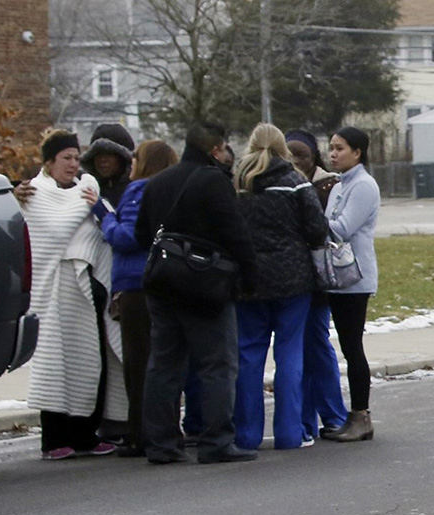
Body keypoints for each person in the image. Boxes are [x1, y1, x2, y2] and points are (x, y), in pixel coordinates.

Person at [133, 121, 259, 465]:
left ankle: (161, 443)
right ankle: (216, 441)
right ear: (216, 149)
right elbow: (235, 233)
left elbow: (141, 234)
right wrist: (250, 276)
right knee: (217, 364)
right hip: (205, 286)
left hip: (162, 284)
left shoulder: (157, 183)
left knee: (163, 365)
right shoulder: (213, 181)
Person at [18, 128, 128, 460]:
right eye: (66, 158)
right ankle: (53, 439)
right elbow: (45, 235)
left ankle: (84, 434)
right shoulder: (33, 194)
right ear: (49, 162)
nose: (73, 163)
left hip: (87, 289)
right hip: (51, 292)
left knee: (89, 362)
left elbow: (101, 230)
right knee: (55, 363)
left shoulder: (88, 191)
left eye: (76, 157)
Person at [230, 123, 329, 450]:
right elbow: (317, 230)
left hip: (248, 280)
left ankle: (246, 434)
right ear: (282, 148)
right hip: (292, 279)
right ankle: (289, 432)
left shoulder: (238, 183)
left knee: (249, 356)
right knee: (290, 354)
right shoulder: (295, 182)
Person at [89, 140, 179, 457]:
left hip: (136, 283)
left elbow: (127, 236)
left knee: (139, 364)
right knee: (167, 360)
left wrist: (103, 214)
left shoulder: (139, 190)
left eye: (136, 157)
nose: (131, 163)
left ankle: (142, 433)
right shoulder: (175, 189)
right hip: (169, 281)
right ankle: (169, 429)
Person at [315, 126, 380, 442]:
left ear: (357, 152)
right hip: (335, 275)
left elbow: (341, 229)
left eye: (340, 148)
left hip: (354, 277)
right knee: (344, 344)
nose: (333, 154)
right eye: (331, 148)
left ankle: (361, 415)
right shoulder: (341, 184)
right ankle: (348, 415)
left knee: (353, 346)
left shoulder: (363, 186)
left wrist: (310, 217)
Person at [285, 128, 349, 439]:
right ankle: (305, 422)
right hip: (289, 279)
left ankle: (333, 415)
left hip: (320, 277)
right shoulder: (277, 183)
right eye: (290, 154)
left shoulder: (328, 186)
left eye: (303, 155)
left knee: (316, 345)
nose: (297, 160)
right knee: (296, 350)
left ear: (314, 158)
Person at [80, 123, 136, 207]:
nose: (102, 159)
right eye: (98, 154)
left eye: (109, 154)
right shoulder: (84, 189)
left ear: (123, 157)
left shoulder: (137, 191)